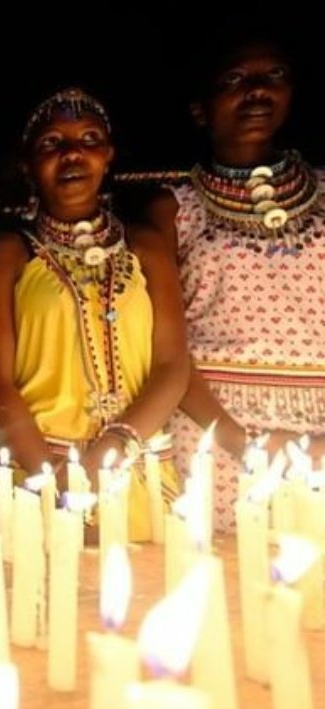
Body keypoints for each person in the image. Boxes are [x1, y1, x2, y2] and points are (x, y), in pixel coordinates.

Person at [0, 89, 188, 539]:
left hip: (137, 469)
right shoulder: (11, 251)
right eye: (52, 143)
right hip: (39, 470)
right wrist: (57, 480)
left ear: (108, 156)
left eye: (88, 139)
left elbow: (172, 365)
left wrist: (113, 448)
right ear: (28, 165)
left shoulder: (145, 244)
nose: (72, 152)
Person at [137, 37, 325, 530]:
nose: (258, 90)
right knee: (226, 585)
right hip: (214, 434)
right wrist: (245, 446)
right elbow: (168, 347)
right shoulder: (172, 209)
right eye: (235, 80)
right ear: (201, 109)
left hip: (323, 437)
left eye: (274, 75)